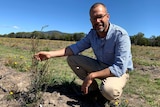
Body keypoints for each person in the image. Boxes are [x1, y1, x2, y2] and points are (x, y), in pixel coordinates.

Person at [34, 2, 133, 107]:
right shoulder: (92, 34)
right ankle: (93, 91)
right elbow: (75, 48)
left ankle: (108, 97)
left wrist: (92, 75)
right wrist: (50, 54)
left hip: (119, 71)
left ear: (107, 16)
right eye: (94, 18)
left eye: (100, 17)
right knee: (72, 59)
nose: (97, 21)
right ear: (90, 21)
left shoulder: (121, 35)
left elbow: (119, 67)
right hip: (101, 65)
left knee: (109, 90)